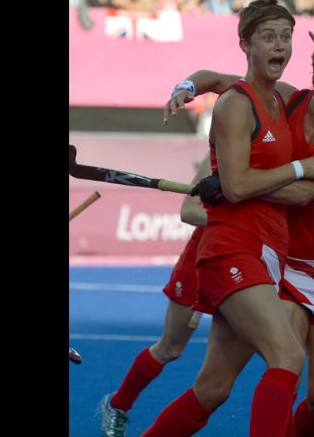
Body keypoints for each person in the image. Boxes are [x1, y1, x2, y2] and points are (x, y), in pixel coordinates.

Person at [139, 0, 314, 436]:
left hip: (267, 251)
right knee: (288, 357)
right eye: (268, 37)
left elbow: (207, 77)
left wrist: (187, 84)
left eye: (286, 37)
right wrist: (300, 169)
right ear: (246, 45)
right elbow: (235, 187)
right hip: (233, 248)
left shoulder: (282, 99)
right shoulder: (238, 102)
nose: (280, 46)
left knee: (212, 390)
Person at [98, 153, 212, 437]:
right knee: (171, 349)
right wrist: (240, 223)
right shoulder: (217, 152)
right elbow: (189, 211)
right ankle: (118, 405)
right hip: (203, 260)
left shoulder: (281, 151)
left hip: (251, 263)